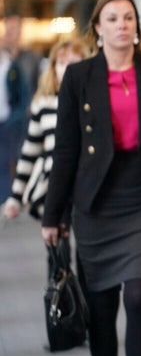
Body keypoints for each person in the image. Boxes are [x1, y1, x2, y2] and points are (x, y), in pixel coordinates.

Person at [41, 0, 141, 356]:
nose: (123, 24)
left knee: (138, 295)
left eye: (129, 18)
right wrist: (54, 214)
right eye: (113, 18)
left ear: (137, 27)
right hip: (96, 203)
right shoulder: (79, 77)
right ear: (97, 30)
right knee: (101, 311)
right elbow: (65, 149)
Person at [4, 38, 89, 221]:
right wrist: (16, 197)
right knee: (57, 246)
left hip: (89, 186)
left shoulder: (95, 103)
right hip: (55, 187)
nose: (67, 69)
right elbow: (30, 152)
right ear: (53, 67)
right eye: (62, 63)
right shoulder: (43, 105)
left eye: (74, 63)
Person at [0, 46, 29, 201]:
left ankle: (4, 200)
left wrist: (15, 117)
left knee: (4, 162)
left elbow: (23, 95)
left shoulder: (11, 66)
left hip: (6, 122)